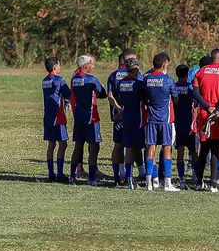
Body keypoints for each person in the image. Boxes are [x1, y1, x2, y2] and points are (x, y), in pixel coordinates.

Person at [191, 49, 219, 192]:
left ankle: (198, 181)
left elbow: (195, 93)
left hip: (204, 113)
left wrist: (207, 107)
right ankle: (213, 183)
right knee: (215, 148)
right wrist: (217, 109)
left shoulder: (200, 71)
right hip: (217, 113)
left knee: (203, 148)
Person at [142, 53, 180, 192]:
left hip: (151, 118)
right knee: (167, 148)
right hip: (166, 119)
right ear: (164, 64)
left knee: (150, 148)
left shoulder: (146, 79)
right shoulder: (168, 80)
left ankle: (149, 182)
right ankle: (168, 183)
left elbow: (144, 97)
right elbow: (175, 99)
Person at [68, 54, 108, 186]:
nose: (93, 66)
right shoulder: (91, 79)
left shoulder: (75, 79)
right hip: (91, 117)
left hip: (78, 116)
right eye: (91, 63)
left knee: (78, 146)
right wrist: (100, 89)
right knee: (94, 147)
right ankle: (92, 178)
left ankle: (72, 176)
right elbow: (103, 93)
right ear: (86, 65)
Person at [108, 48, 140, 186]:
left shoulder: (113, 76)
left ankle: (118, 174)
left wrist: (118, 110)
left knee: (118, 144)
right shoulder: (137, 76)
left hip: (118, 116)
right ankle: (131, 174)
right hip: (132, 115)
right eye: (133, 59)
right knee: (132, 145)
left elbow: (110, 96)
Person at [41, 57, 72, 183]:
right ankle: (59, 173)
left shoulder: (44, 80)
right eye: (59, 65)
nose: (60, 67)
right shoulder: (59, 80)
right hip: (58, 117)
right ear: (55, 67)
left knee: (51, 144)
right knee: (63, 144)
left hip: (48, 116)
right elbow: (68, 94)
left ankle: (50, 173)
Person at [173, 64, 198, 188]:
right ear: (188, 75)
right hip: (189, 124)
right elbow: (195, 104)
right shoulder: (191, 87)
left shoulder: (174, 87)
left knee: (180, 153)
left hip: (177, 124)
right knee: (194, 152)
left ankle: (182, 178)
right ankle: (196, 176)